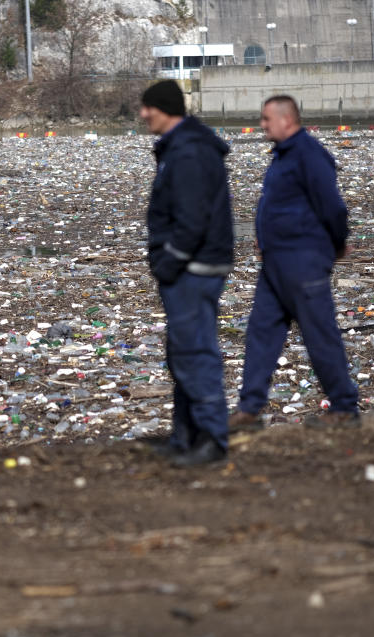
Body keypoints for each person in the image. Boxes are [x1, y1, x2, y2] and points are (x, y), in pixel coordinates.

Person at [228, 95, 359, 431]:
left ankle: (344, 407)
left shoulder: (308, 154)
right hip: (275, 264)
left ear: (287, 119)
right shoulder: (282, 157)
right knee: (261, 332)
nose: (262, 124)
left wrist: (337, 241)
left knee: (319, 334)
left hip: (303, 260)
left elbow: (332, 205)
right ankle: (249, 409)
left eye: (266, 118)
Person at [140, 80, 234, 466]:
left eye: (149, 108)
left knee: (195, 351)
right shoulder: (181, 147)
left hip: (194, 268)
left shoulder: (190, 152)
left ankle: (212, 438)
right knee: (182, 351)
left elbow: (193, 218)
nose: (144, 115)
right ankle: (186, 435)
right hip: (189, 267)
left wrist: (169, 260)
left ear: (165, 109)